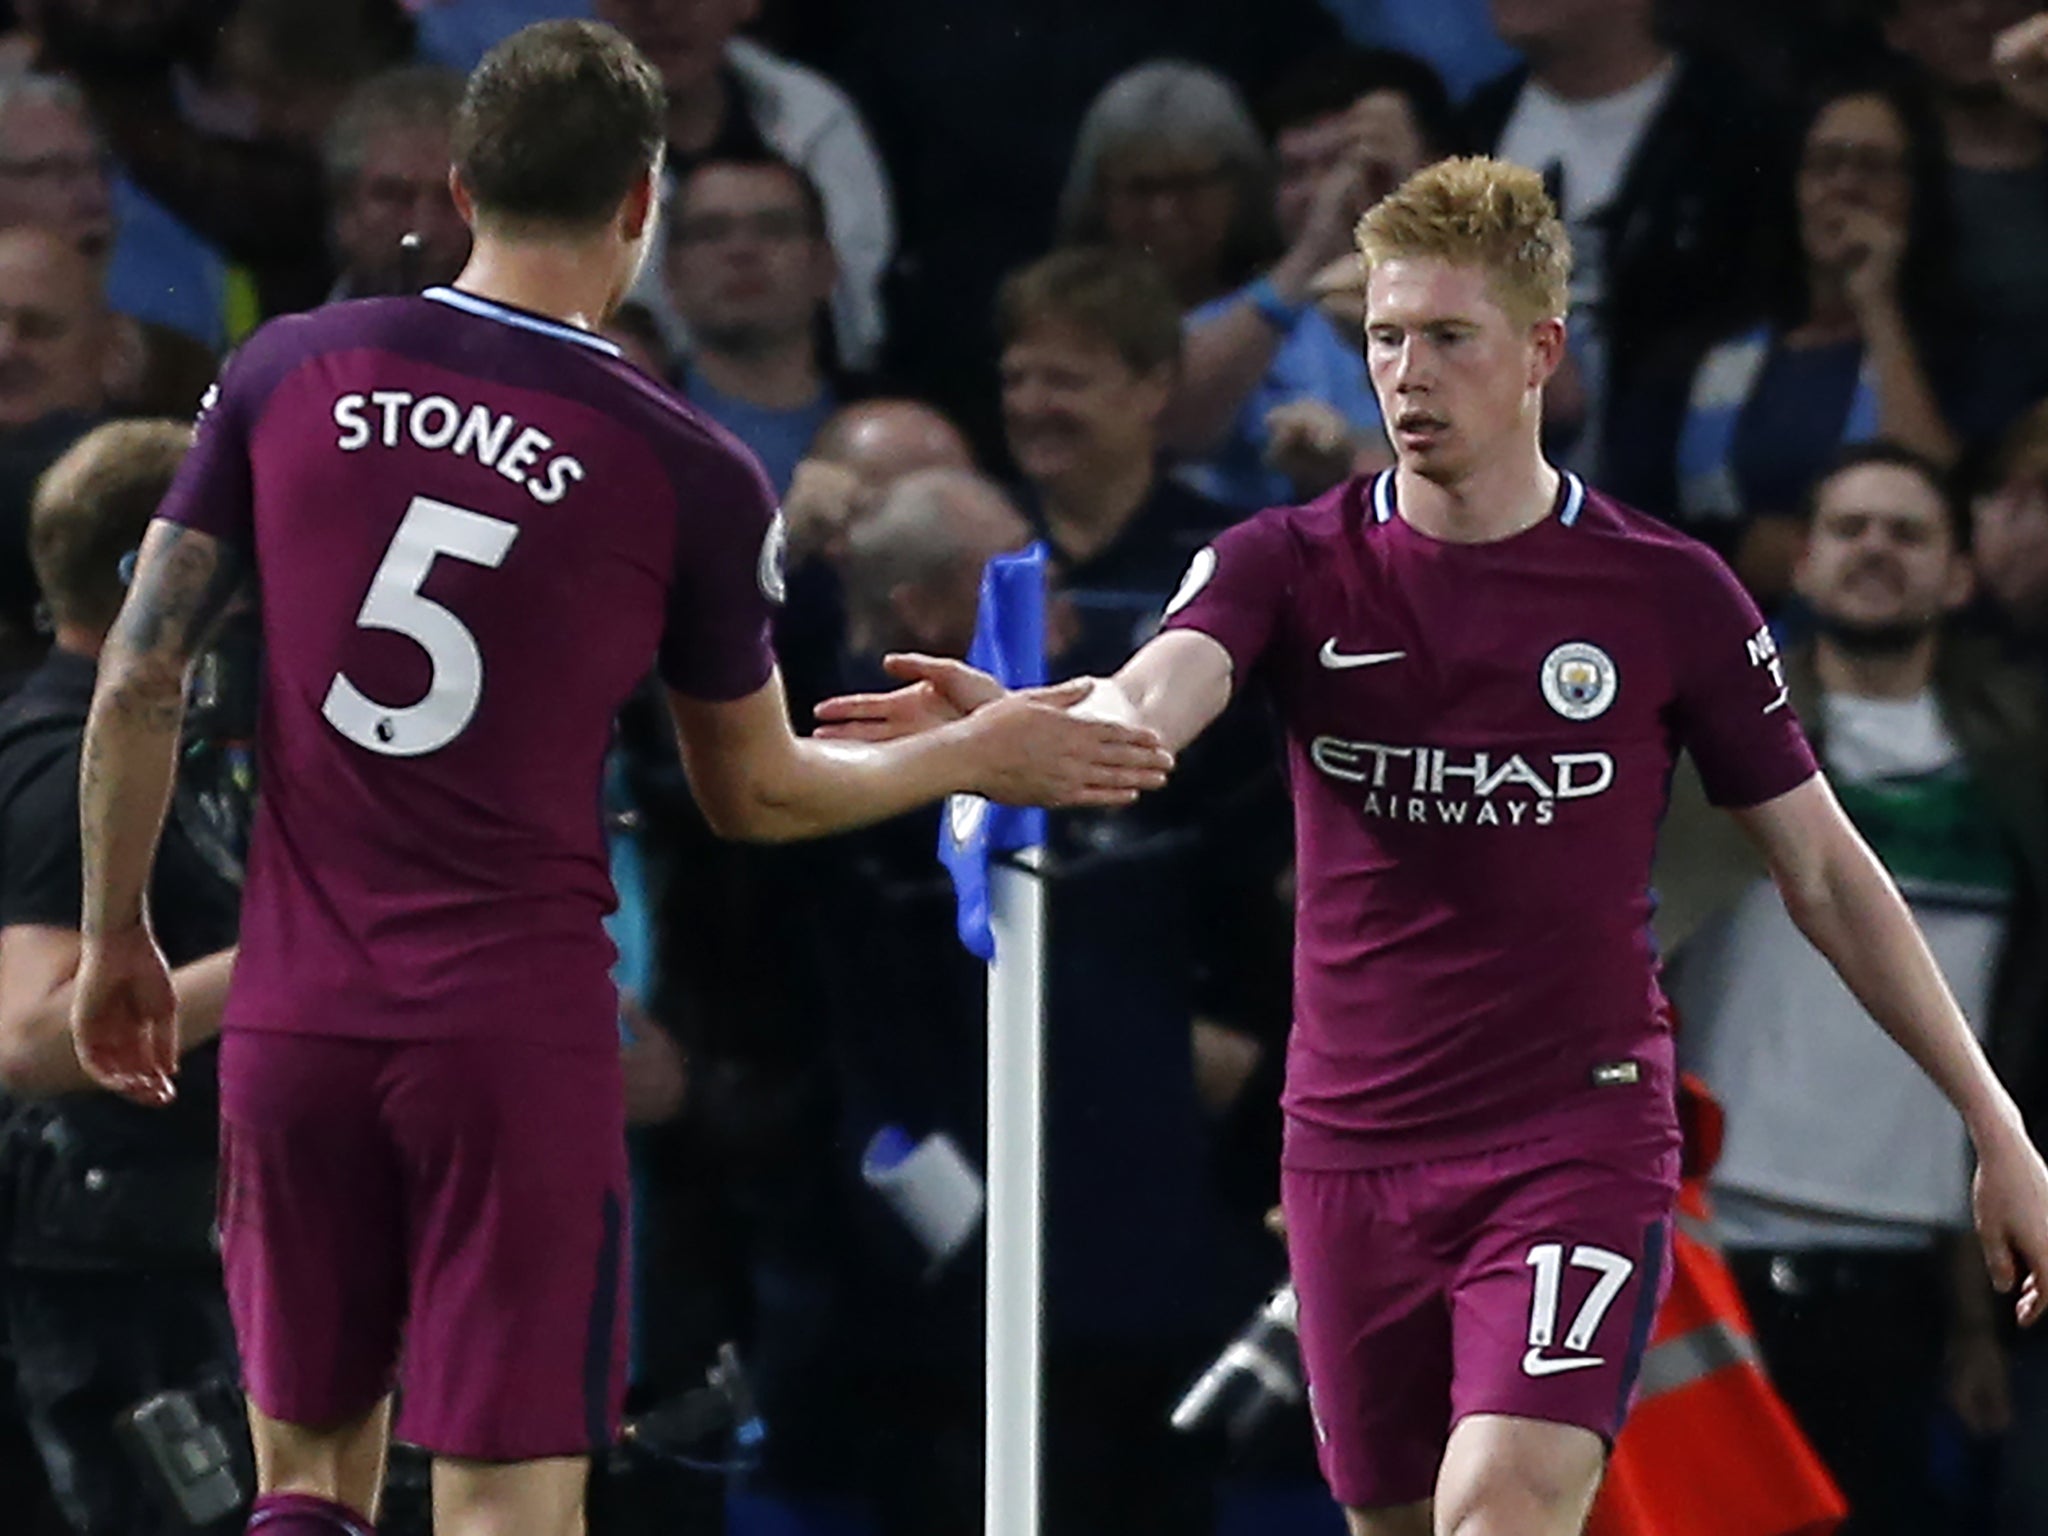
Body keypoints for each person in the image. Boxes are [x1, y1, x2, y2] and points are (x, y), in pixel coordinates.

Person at [817, 156, 2048, 1536]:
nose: (1406, 374)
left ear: (1539, 352)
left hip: (1573, 1132)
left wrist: (1995, 1123)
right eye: (1385, 338)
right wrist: (1021, 735)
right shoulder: (1284, 560)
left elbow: (1824, 869)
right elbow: (1149, 706)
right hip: (1350, 1148)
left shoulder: (1665, 592)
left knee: (1502, 1506)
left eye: (1447, 337)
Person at [62, 22, 1171, 1536]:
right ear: (642, 208)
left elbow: (137, 673)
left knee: (305, 1480)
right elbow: (756, 793)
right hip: (510, 1036)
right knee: (508, 1499)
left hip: (296, 1017)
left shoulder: (286, 368)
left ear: (458, 186)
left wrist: (120, 930)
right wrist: (974, 750)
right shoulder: (686, 464)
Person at [1654, 443, 2047, 1534]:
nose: (1875, 549)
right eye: (1849, 529)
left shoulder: (2018, 769)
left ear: (1958, 577)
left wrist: (1974, 1318)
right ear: (1800, 565)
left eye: (1908, 532)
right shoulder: (1692, 759)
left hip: (1919, 1286)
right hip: (1706, 1254)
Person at [0, 418, 243, 1536]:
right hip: (116, 1309)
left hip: (176, 1278)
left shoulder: (159, 749)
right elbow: (35, 1039)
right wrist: (290, 953)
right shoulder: (62, 771)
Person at [1651, 75, 1958, 607]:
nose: (1847, 185)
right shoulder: (1713, 346)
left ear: (1917, 191)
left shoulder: (1954, 342)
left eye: (1875, 166)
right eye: (1825, 163)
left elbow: (1929, 491)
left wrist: (1877, 304)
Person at [664, 153, 841, 496]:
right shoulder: (626, 428)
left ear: (824, 264)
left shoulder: (898, 427)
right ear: (671, 273)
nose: (741, 251)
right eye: (710, 232)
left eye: (774, 229)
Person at [321, 65, 471, 301]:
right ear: (345, 207)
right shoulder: (285, 332)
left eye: (452, 201)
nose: (424, 228)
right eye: (394, 197)